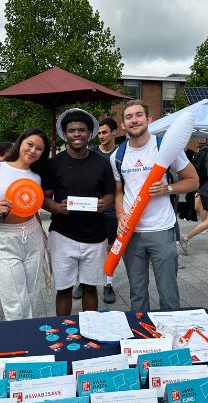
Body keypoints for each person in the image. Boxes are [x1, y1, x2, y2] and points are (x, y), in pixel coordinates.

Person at [111, 99, 198, 312]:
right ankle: (142, 336)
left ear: (149, 119)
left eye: (139, 115)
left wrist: (167, 189)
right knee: (137, 293)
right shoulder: (117, 156)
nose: (134, 120)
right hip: (132, 233)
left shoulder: (165, 147)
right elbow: (119, 191)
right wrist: (120, 215)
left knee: (168, 292)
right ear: (123, 124)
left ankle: (170, 338)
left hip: (162, 230)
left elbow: (193, 181)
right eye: (129, 117)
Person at [0, 128, 49, 321]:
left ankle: (29, 339)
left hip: (33, 235)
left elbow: (33, 208)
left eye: (39, 148)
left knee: (32, 295)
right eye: (30, 144)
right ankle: (18, 343)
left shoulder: (36, 176)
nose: (33, 150)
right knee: (13, 300)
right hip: (3, 238)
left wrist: (45, 239)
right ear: (20, 142)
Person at [42, 108, 115, 316]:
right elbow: (44, 197)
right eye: (72, 130)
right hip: (63, 235)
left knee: (91, 287)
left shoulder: (102, 163)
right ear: (65, 134)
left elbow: (110, 193)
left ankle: (90, 328)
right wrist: (56, 207)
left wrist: (105, 203)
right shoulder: (54, 164)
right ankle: (63, 329)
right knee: (63, 288)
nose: (77, 134)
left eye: (81, 130)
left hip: (96, 235)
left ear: (89, 133)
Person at [90, 117, 119, 304]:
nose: (101, 136)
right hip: (92, 208)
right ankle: (85, 282)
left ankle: (108, 283)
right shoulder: (91, 153)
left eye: (105, 132)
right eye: (99, 133)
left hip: (113, 209)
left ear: (114, 132)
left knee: (111, 247)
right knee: (91, 246)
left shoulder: (122, 153)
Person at [179, 148, 197, 222]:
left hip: (189, 184)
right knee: (191, 200)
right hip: (192, 184)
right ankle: (190, 215)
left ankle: (188, 215)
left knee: (190, 200)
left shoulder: (187, 163)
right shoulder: (192, 163)